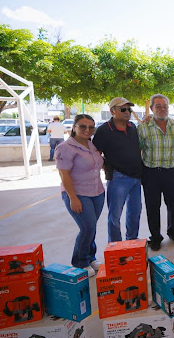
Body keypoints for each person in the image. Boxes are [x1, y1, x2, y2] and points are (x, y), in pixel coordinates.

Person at [55, 114, 104, 277]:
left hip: (97, 192)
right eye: (83, 126)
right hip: (78, 194)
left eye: (91, 127)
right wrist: (73, 198)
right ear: (74, 127)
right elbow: (64, 175)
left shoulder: (92, 145)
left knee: (91, 228)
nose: (87, 130)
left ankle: (90, 257)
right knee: (87, 228)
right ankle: (80, 262)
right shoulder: (65, 148)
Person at [138, 94, 174, 251]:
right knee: (152, 206)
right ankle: (156, 236)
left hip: (172, 171)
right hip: (151, 172)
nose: (162, 109)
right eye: (158, 106)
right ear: (151, 108)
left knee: (173, 204)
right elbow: (138, 149)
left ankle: (173, 231)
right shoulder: (143, 127)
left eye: (165, 106)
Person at [92, 97, 143, 243]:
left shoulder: (132, 127)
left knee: (135, 213)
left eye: (129, 109)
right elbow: (96, 155)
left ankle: (132, 242)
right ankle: (115, 246)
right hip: (118, 179)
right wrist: (109, 168)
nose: (127, 112)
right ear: (112, 111)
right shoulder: (104, 130)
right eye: (123, 109)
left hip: (136, 178)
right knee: (115, 216)